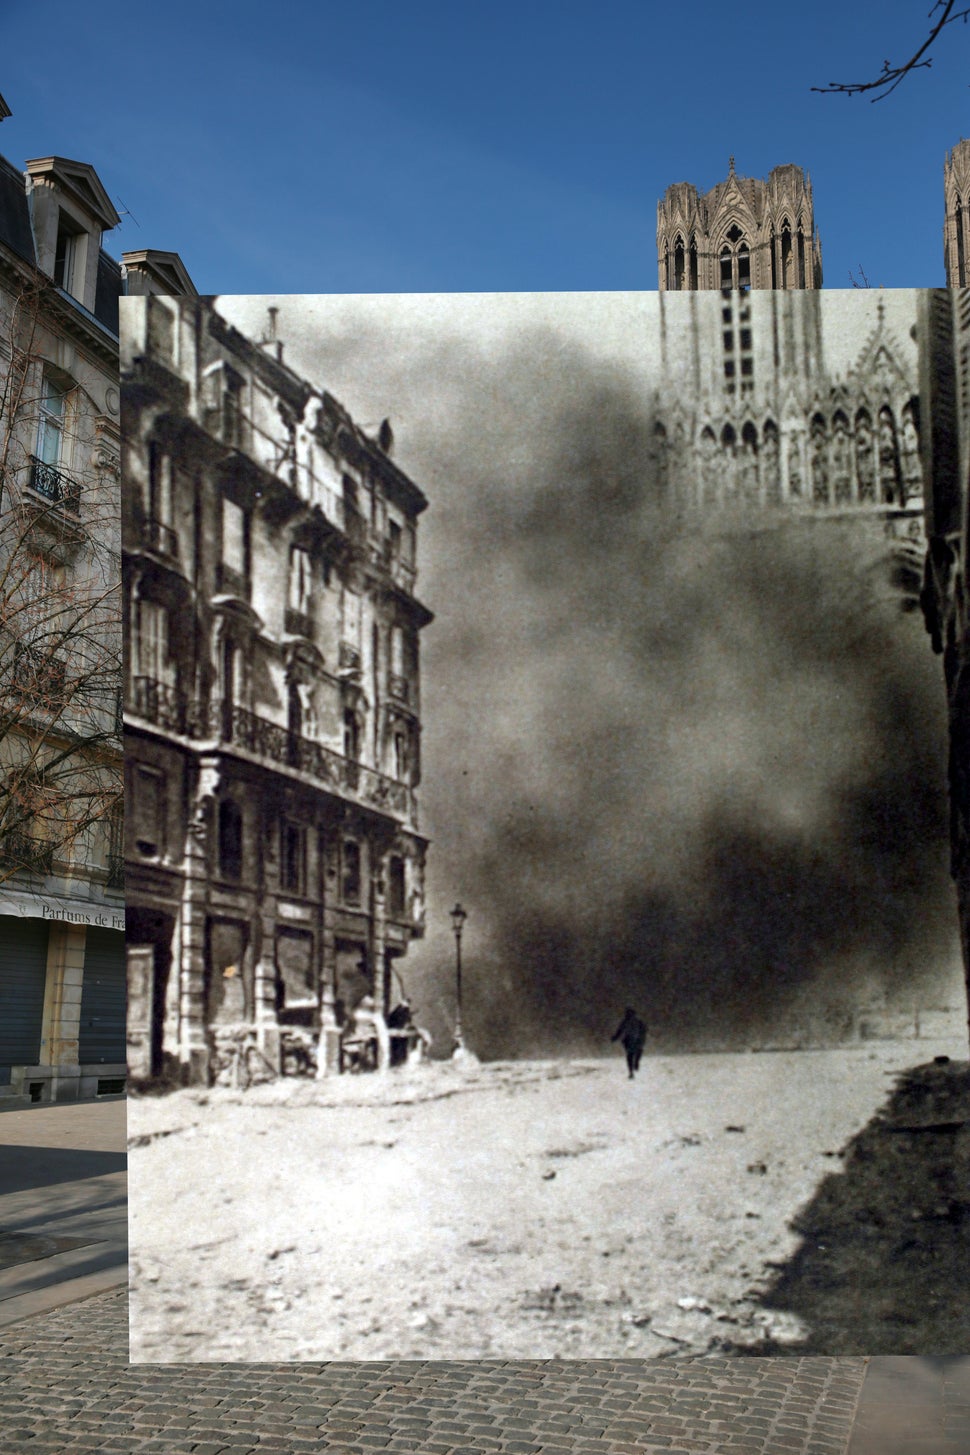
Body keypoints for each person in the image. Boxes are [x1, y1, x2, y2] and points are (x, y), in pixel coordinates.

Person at [611, 1006, 646, 1079]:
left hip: (631, 1040)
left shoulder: (632, 1022)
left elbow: (619, 1031)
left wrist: (615, 1038)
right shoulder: (635, 1021)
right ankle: (633, 1068)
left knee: (631, 1055)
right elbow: (644, 1030)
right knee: (634, 1053)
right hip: (631, 1040)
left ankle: (632, 1068)